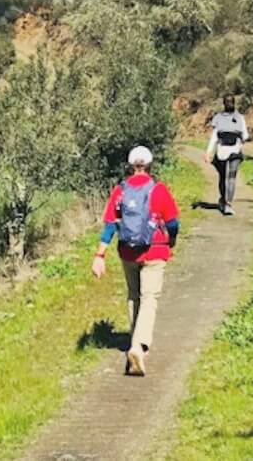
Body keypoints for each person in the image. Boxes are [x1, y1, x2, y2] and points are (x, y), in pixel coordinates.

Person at [91, 146, 181, 377]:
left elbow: (110, 224)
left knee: (134, 295)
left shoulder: (120, 191)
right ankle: (138, 346)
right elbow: (172, 222)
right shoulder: (159, 189)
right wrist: (171, 240)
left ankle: (135, 340)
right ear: (150, 165)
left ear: (131, 165)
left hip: (127, 253)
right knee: (149, 297)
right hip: (155, 250)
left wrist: (99, 255)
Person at [205, 94, 250, 216]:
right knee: (224, 176)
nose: (229, 104)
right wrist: (209, 152)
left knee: (231, 177)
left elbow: (245, 135)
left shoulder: (239, 118)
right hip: (221, 151)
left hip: (234, 150)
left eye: (231, 102)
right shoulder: (219, 118)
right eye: (228, 102)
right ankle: (223, 200)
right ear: (224, 104)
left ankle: (228, 203)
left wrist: (240, 139)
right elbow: (215, 136)